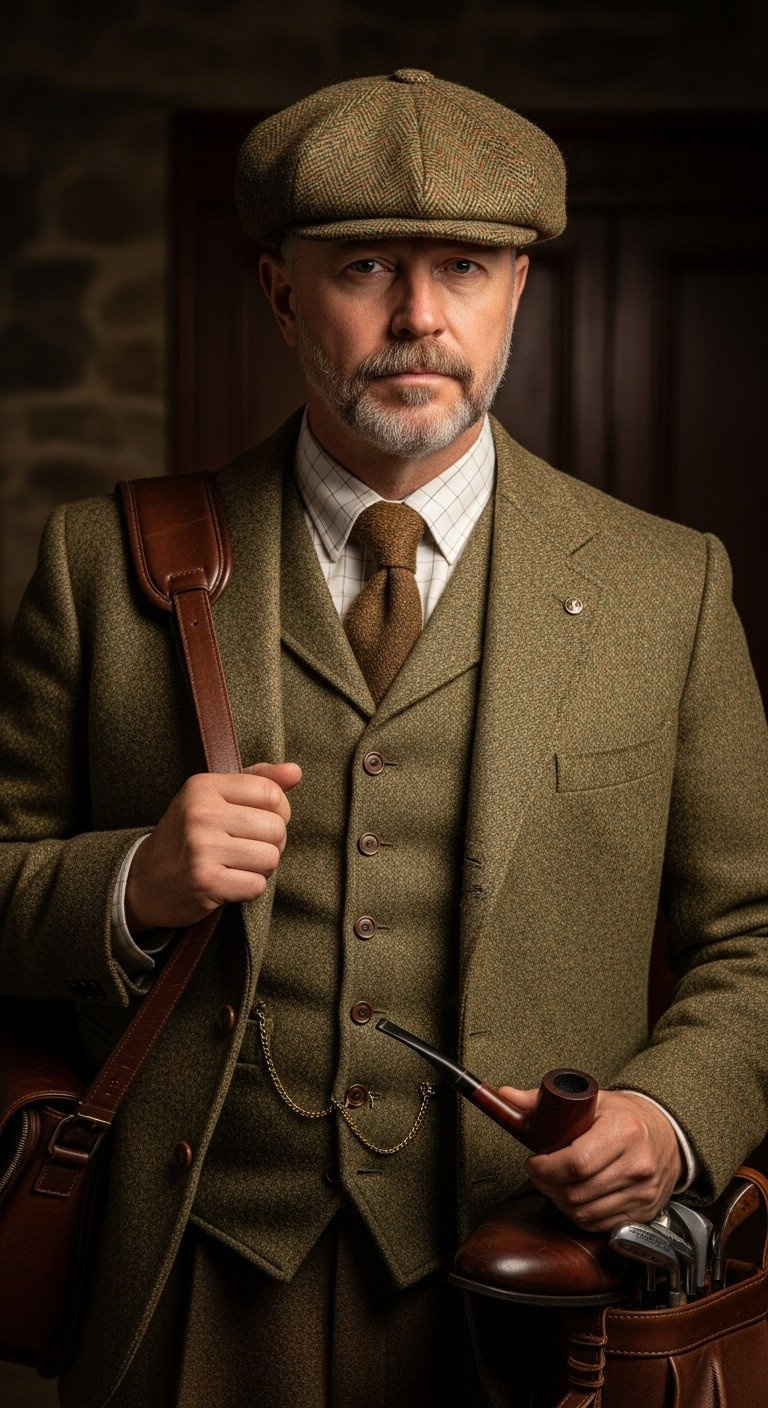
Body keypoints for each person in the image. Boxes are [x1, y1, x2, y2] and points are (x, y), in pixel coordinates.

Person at [1, 69, 767, 1408]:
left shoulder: (669, 587)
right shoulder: (97, 565)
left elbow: (755, 936)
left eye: (464, 267)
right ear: (281, 291)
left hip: (522, 1299)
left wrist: (672, 1114)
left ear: (519, 289)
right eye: (364, 266)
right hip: (190, 1285)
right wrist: (129, 883)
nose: (418, 317)